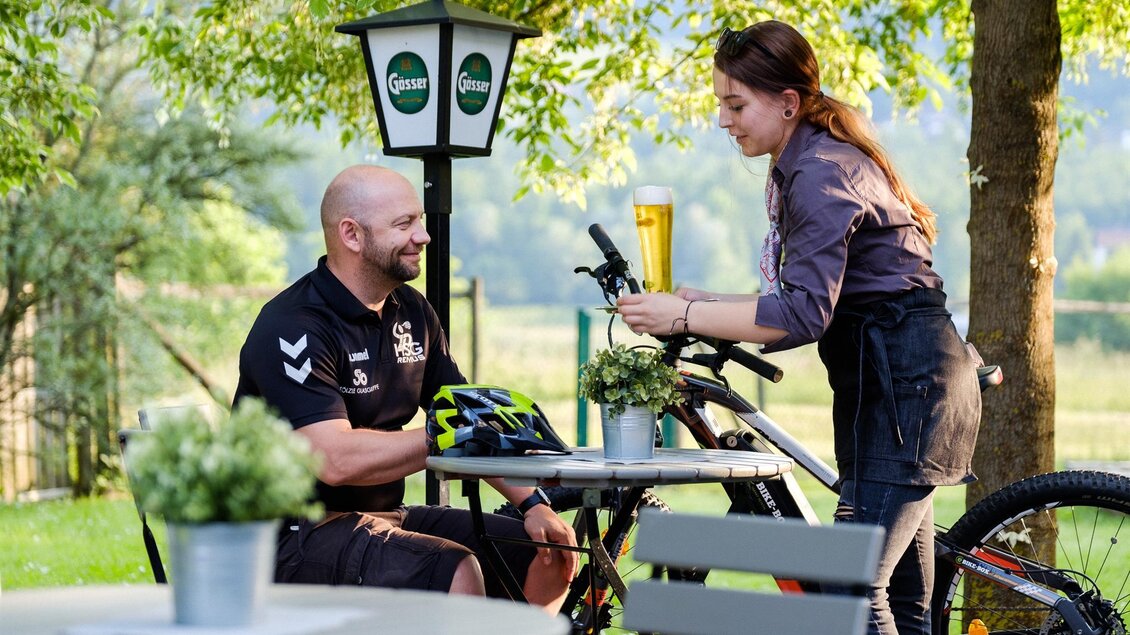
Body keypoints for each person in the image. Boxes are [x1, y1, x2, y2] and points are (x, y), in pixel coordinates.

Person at [615, 20, 982, 635]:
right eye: (720, 106)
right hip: (889, 386)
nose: (725, 120)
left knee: (849, 585)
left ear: (788, 103)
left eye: (736, 105)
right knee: (904, 600)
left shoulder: (818, 172)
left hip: (907, 388)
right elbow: (818, 297)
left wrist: (683, 316)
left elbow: (803, 315)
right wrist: (709, 301)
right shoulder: (809, 160)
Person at [233, 164, 578, 612]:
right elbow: (333, 460)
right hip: (291, 535)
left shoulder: (412, 311)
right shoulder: (293, 327)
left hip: (383, 517)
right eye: (404, 224)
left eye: (420, 219)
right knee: (454, 568)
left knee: (549, 554)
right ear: (352, 235)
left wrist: (532, 504)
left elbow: (466, 417)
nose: (423, 236)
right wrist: (448, 437)